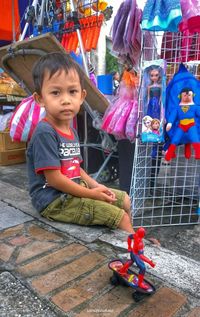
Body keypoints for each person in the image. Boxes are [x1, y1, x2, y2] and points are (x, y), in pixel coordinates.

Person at [26, 52, 134, 234]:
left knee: (124, 200)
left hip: (72, 192)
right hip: (54, 200)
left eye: (72, 91)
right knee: (119, 216)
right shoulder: (45, 132)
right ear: (40, 99)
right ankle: (134, 251)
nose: (66, 100)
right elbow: (55, 179)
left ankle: (134, 235)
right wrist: (91, 194)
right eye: (55, 92)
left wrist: (97, 186)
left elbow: (76, 168)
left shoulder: (71, 131)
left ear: (82, 96)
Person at [165, 87, 200, 161]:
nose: (187, 97)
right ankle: (169, 154)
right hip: (181, 125)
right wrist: (170, 123)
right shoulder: (177, 107)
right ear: (181, 96)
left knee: (194, 138)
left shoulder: (195, 107)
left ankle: (198, 153)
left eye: (189, 95)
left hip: (191, 124)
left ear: (192, 96)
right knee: (175, 139)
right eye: (185, 95)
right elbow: (173, 115)